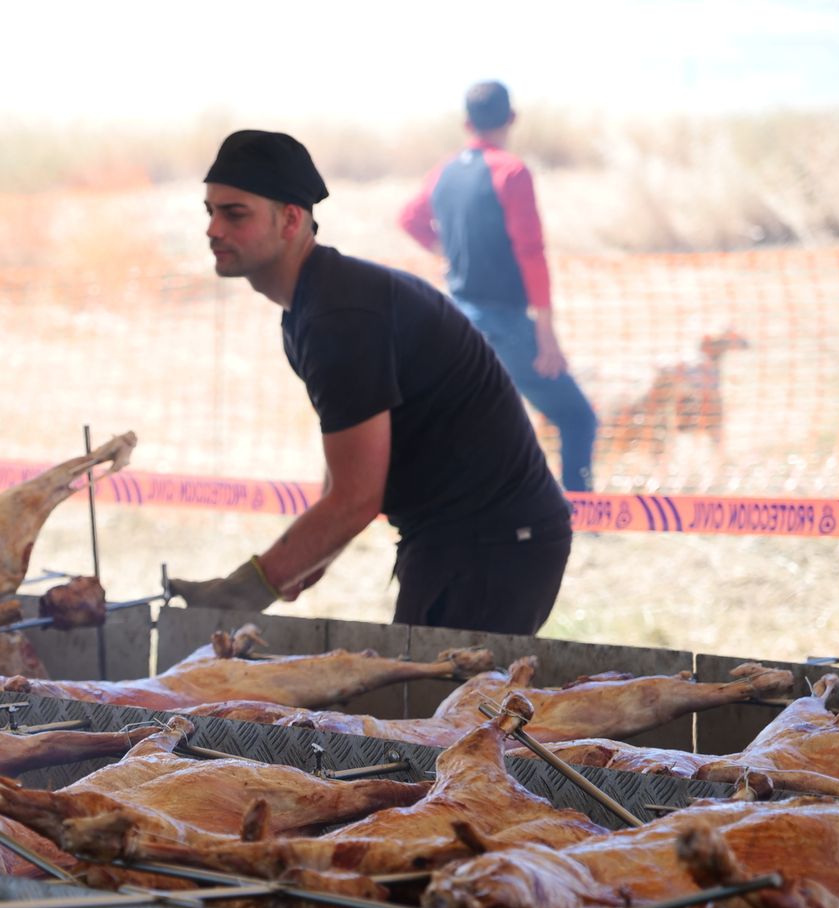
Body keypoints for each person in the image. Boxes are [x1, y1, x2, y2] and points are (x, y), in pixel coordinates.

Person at [169, 130, 572, 636]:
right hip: (458, 537)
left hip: (495, 542)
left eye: (235, 213)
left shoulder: (339, 316)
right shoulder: (310, 310)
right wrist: (306, 560)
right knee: (423, 707)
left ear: (291, 219)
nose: (212, 229)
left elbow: (358, 498)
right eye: (209, 212)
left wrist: (243, 590)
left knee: (442, 714)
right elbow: (347, 463)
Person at [398, 81, 598, 494]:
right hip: (503, 322)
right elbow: (531, 252)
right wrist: (545, 333)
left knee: (480, 424)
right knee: (577, 418)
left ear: (466, 123)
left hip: (455, 319)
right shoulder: (511, 171)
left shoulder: (445, 172)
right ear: (512, 119)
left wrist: (449, 252)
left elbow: (409, 219)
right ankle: (583, 517)